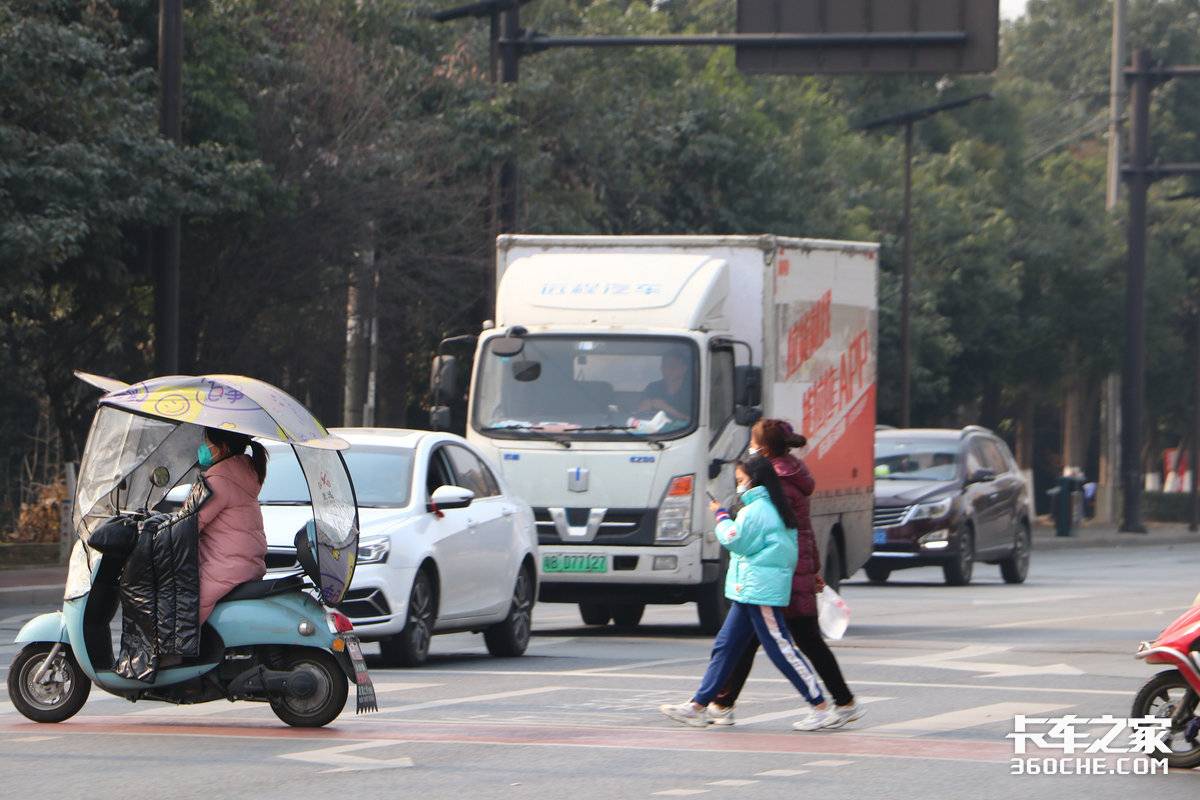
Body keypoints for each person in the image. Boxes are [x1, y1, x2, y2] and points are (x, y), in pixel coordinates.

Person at [706, 419, 863, 730]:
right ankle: (721, 703)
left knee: (799, 640)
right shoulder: (791, 472)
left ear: (762, 449)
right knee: (757, 639)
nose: (748, 450)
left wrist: (726, 517)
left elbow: (773, 530)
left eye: (751, 443)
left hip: (779, 570)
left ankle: (835, 703)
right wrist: (813, 568)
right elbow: (804, 529)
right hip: (791, 566)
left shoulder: (775, 480)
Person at [659, 456, 834, 731]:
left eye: (741, 480)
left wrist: (721, 516)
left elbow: (735, 540)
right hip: (749, 588)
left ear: (753, 480)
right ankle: (698, 706)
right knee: (725, 647)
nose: (738, 486)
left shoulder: (758, 510)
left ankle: (820, 707)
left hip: (759, 590)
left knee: (781, 650)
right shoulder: (767, 506)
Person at [196, 427, 269, 624]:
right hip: (247, 564)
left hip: (225, 569)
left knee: (183, 606)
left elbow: (191, 523)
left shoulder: (219, 481)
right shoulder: (244, 473)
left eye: (208, 443)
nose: (204, 448)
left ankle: (175, 654)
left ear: (223, 447)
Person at [638, 350, 692, 421]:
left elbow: (696, 421)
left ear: (684, 369)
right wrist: (644, 408)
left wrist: (667, 408)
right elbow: (639, 414)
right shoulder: (652, 387)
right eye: (665, 366)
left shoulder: (692, 391)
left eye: (673, 366)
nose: (668, 369)